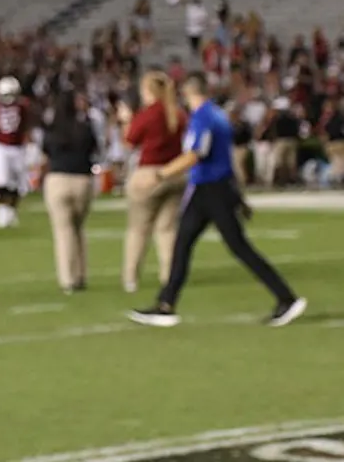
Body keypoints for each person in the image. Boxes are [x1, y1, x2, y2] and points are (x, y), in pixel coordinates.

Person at [128, 73, 308, 328]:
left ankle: (286, 298)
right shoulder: (218, 116)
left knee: (238, 247)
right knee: (183, 244)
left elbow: (194, 155)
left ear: (188, 93)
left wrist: (159, 174)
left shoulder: (202, 118)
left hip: (211, 189)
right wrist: (239, 196)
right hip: (212, 188)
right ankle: (165, 304)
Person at [120, 71, 187, 293]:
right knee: (167, 229)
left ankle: (131, 277)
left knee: (138, 229)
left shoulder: (147, 115)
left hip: (149, 173)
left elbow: (129, 143)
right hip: (175, 172)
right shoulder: (176, 113)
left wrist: (126, 121)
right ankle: (169, 275)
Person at [42, 91, 99, 294]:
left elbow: (46, 150)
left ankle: (68, 279)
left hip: (57, 179)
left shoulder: (52, 129)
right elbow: (95, 148)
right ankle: (81, 274)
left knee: (63, 231)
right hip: (82, 179)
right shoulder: (84, 127)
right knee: (78, 228)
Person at [0, 76, 34, 229]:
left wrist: (28, 141)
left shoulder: (23, 106)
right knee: (1, 181)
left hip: (18, 147)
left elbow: (26, 125)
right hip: (1, 146)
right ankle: (1, 211)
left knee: (18, 183)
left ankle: (12, 211)